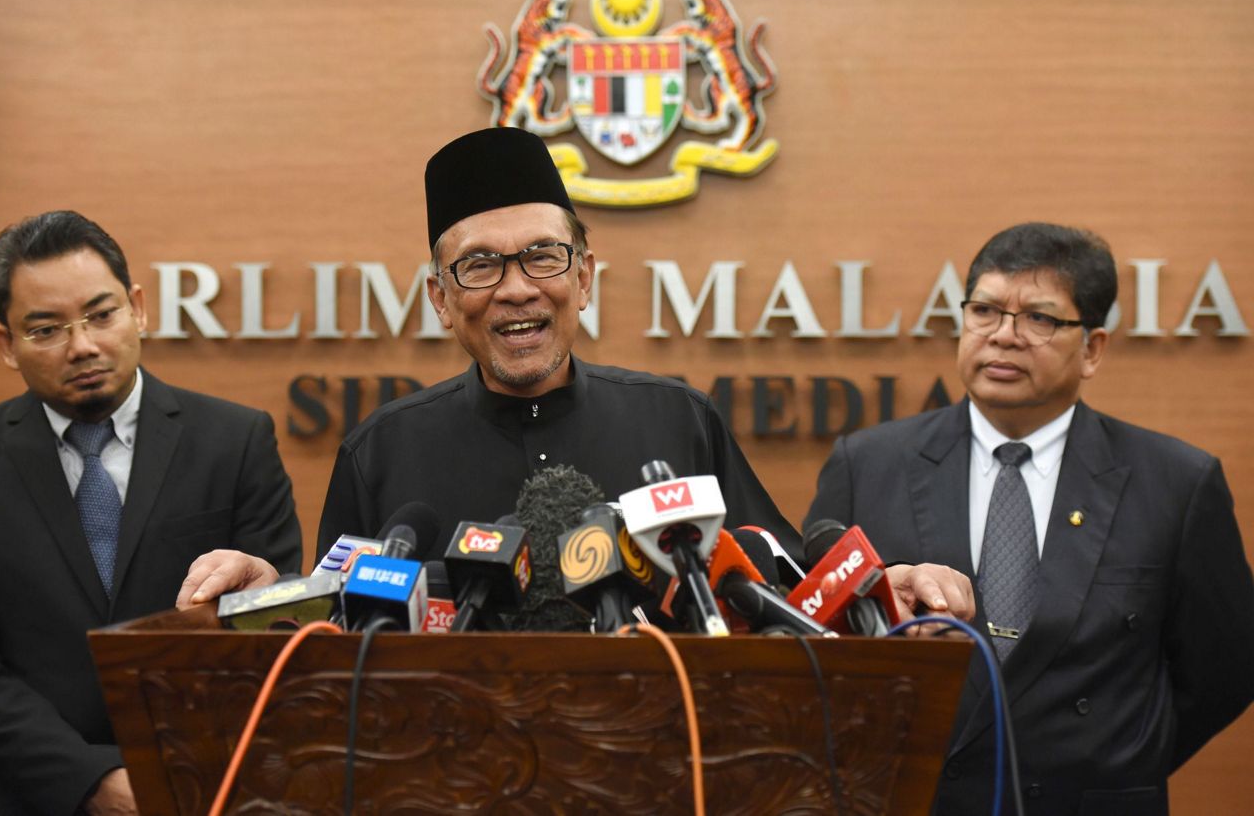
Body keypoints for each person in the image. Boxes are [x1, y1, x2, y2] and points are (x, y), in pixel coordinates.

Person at [316, 127, 972, 625]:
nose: (516, 289)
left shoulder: (679, 421)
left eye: (543, 256)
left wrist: (886, 587)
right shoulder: (381, 454)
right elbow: (329, 640)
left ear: (584, 277)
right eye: (481, 265)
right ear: (440, 297)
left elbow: (782, 586)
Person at [805, 222, 1254, 815]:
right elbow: (813, 640)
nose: (1003, 336)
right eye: (984, 310)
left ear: (1092, 348)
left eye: (1039, 318)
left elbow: (1227, 667)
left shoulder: (1176, 481)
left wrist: (1123, 758)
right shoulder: (867, 464)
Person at [0, 211, 302, 815]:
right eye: (46, 329)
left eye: (102, 315)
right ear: (7, 345)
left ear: (139, 308)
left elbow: (278, 620)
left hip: (208, 786)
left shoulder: (235, 441)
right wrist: (89, 781)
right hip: (30, 796)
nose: (83, 346)